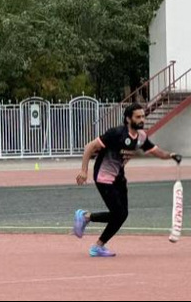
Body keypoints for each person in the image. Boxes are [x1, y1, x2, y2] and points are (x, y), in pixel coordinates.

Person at [73, 103, 181, 257]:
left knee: (122, 215)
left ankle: (97, 242)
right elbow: (89, 147)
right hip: (104, 176)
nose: (142, 119)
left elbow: (157, 152)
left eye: (143, 116)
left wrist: (171, 155)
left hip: (119, 177)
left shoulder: (141, 137)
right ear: (128, 119)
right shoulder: (116, 134)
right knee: (118, 213)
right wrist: (84, 171)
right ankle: (86, 220)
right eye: (138, 117)